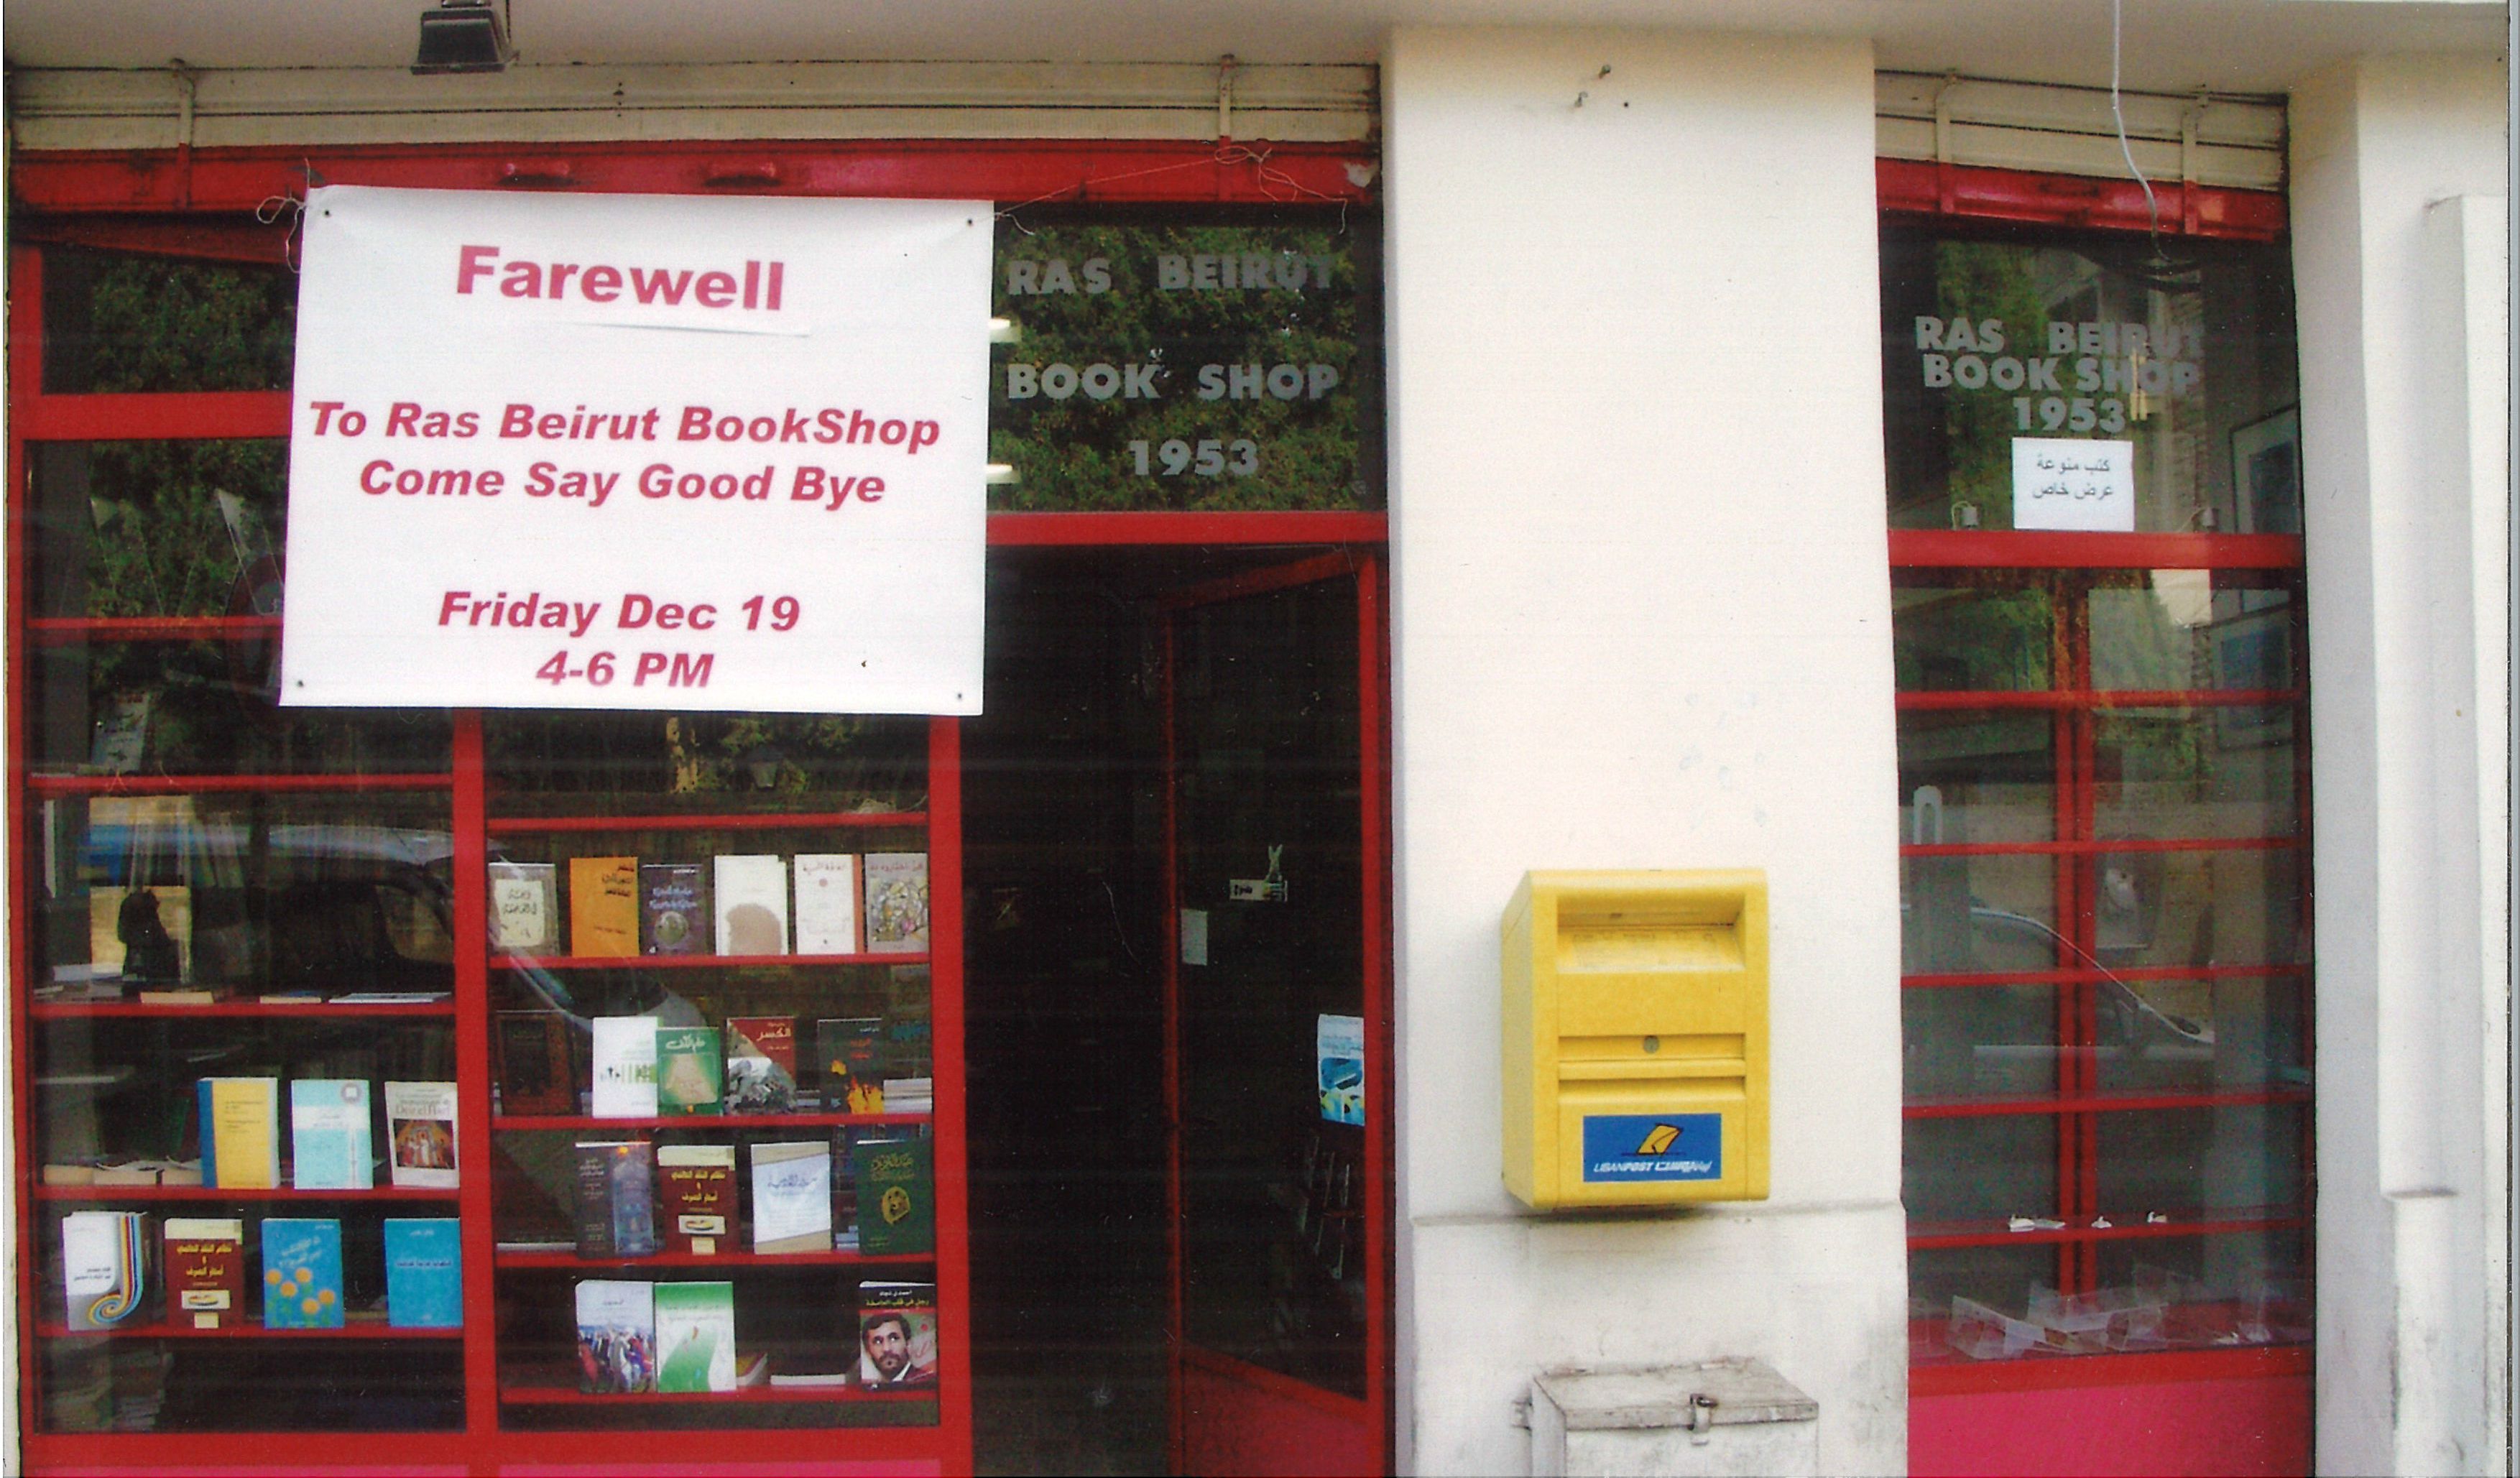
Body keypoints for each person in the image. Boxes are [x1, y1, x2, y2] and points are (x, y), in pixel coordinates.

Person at [859, 1311, 936, 1388]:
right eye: (878, 1342)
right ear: (868, 1351)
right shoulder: (870, 1388)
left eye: (894, 1339)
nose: (887, 1349)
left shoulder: (927, 1382)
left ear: (908, 1344)